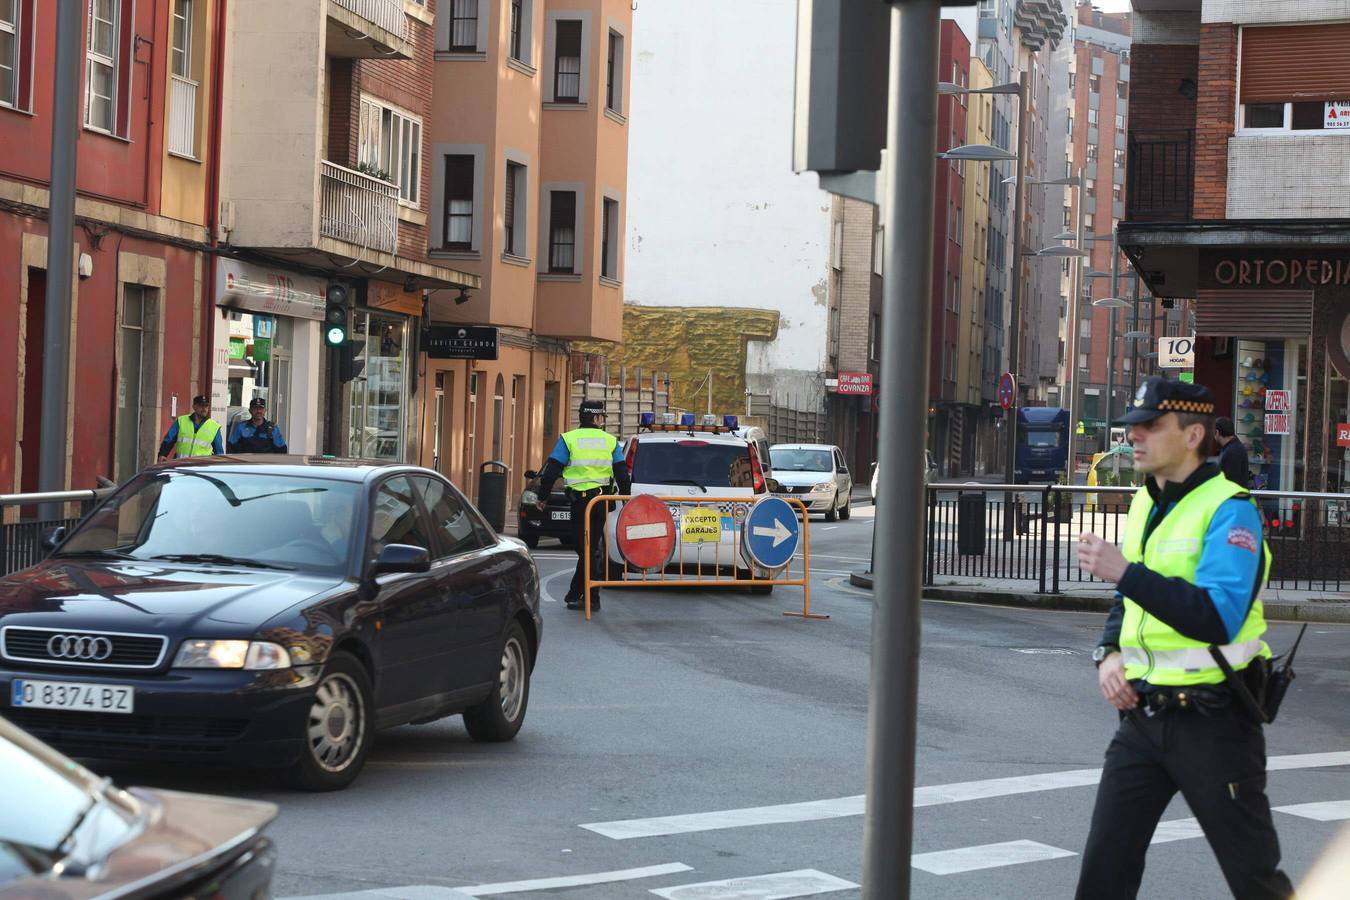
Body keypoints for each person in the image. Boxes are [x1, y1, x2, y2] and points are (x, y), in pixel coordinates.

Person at [1074, 376, 1292, 900]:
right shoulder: (1145, 502)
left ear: (1193, 436)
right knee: (1104, 872)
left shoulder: (1231, 509)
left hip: (1215, 721)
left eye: (1151, 426)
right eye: (1134, 427)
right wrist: (1109, 653)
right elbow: (1128, 604)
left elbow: (1217, 617)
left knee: (1255, 879)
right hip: (1144, 718)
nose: (1136, 437)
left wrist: (1124, 572)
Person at [535, 399, 631, 611]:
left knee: (584, 548)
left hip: (581, 502)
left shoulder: (569, 439)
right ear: (597, 418)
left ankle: (592, 597)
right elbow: (622, 474)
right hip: (602, 502)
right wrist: (625, 498)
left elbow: (551, 471)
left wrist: (543, 497)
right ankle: (575, 592)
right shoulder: (610, 441)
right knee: (589, 547)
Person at [157, 395, 223, 461]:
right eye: (201, 405)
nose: (204, 408)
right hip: (181, 464)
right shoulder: (181, 421)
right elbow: (169, 440)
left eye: (206, 406)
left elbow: (219, 452)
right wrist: (162, 454)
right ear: (194, 407)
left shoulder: (214, 427)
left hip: (201, 467)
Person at [1214, 416, 1250, 488]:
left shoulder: (1232, 452)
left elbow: (1231, 483)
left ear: (1217, 432)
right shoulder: (1232, 447)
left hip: (1233, 497)